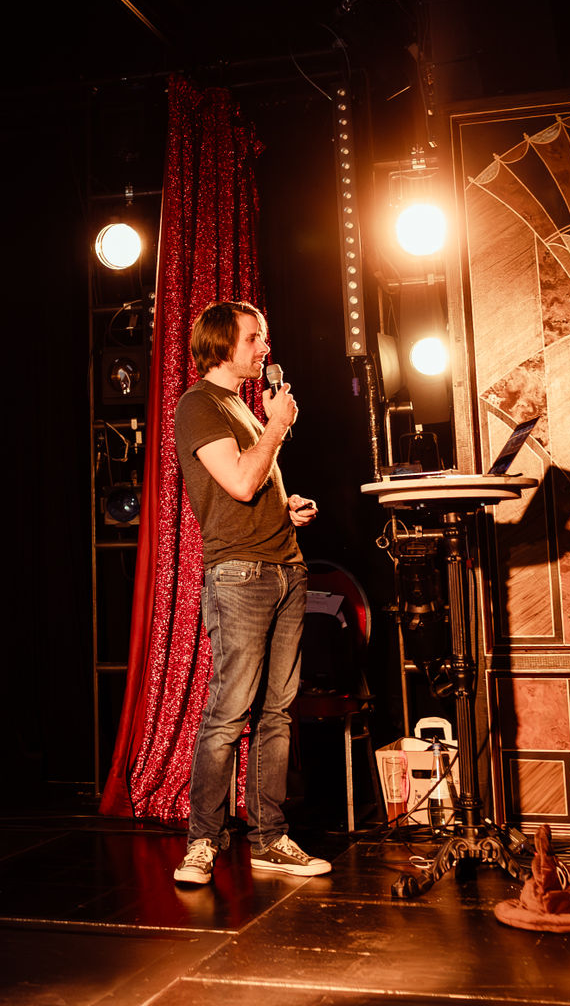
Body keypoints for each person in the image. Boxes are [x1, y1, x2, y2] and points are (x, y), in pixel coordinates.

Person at [170, 300, 330, 885]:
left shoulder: (242, 405)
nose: (265, 348)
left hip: (285, 567)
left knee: (277, 713)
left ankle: (270, 839)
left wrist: (286, 506)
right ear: (222, 345)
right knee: (228, 713)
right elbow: (238, 483)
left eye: (264, 337)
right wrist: (278, 427)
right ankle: (201, 843)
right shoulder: (199, 405)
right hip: (240, 575)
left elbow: (254, 487)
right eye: (254, 338)